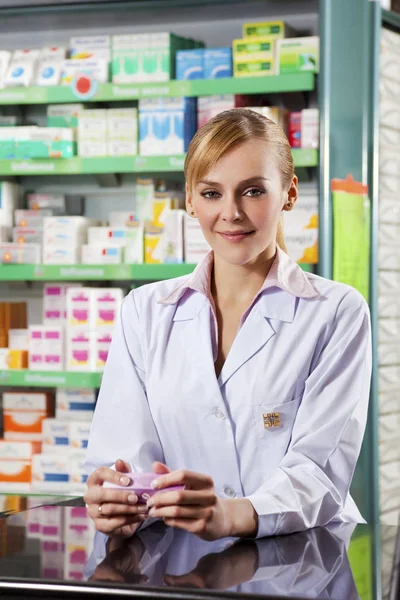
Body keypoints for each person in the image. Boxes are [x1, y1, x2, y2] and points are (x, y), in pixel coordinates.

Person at [84, 108, 372, 541]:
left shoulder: (336, 312)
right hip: (180, 561)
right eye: (212, 193)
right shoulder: (144, 311)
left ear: (289, 194)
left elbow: (319, 472)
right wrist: (117, 496)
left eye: (253, 191)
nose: (231, 212)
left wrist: (233, 514)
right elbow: (124, 458)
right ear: (190, 199)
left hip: (304, 560)